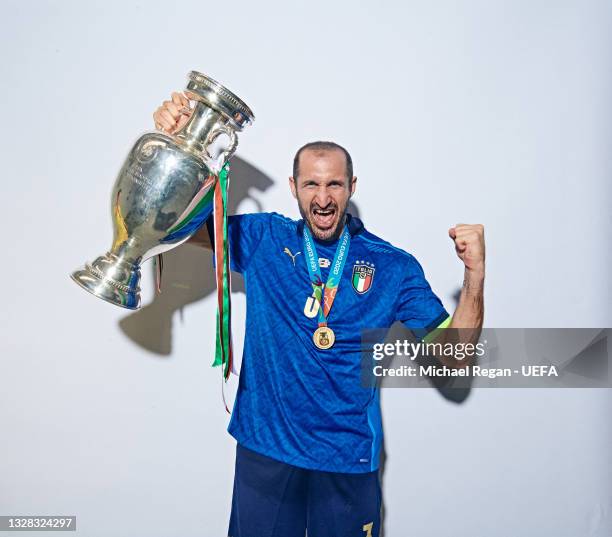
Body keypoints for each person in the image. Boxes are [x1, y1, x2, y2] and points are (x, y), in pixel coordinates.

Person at [154, 92, 485, 537]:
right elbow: (172, 224)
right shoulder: (264, 239)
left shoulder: (392, 266)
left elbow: (455, 358)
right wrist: (174, 143)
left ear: (352, 186)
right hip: (266, 449)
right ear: (294, 188)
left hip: (345, 459)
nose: (323, 198)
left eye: (334, 185)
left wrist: (474, 273)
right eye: (311, 184)